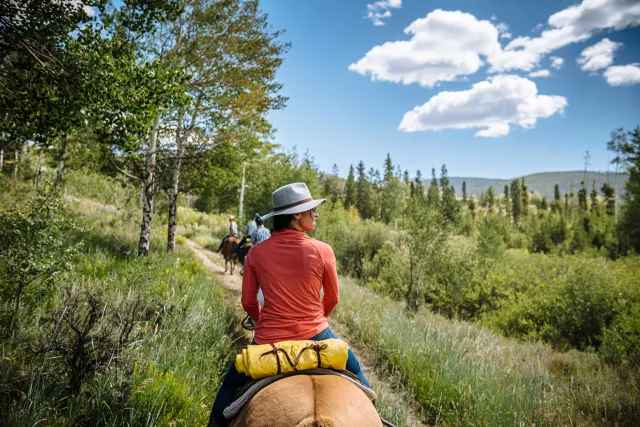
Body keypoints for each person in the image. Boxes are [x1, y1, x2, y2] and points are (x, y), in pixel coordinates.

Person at [209, 183, 370, 427]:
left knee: (229, 386)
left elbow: (248, 302)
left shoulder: (256, 254)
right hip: (317, 334)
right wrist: (313, 320)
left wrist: (262, 321)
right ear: (296, 215)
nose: (315, 214)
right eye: (310, 210)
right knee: (361, 380)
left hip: (268, 339)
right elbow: (332, 299)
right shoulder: (323, 250)